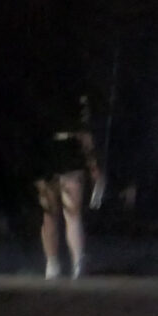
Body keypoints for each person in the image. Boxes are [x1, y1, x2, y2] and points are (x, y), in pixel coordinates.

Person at [37, 96, 99, 279]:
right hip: (70, 155)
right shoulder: (77, 98)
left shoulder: (38, 95)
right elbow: (85, 134)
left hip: (46, 154)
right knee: (73, 214)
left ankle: (52, 263)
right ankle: (78, 261)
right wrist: (93, 164)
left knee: (49, 215)